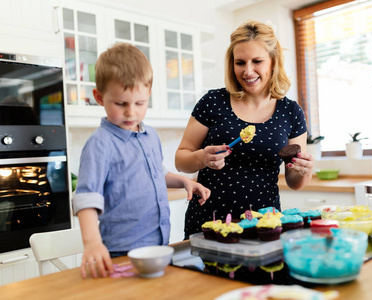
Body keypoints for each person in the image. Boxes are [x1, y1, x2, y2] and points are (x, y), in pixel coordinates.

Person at [72, 43, 211, 278]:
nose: (131, 113)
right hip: (121, 250)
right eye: (121, 104)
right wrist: (92, 243)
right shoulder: (100, 143)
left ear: (148, 95)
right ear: (99, 97)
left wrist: (184, 182)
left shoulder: (150, 136)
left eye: (139, 103)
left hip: (158, 244)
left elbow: (158, 172)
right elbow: (86, 199)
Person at [175, 20, 314, 239]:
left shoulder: (291, 112)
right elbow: (180, 160)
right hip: (208, 221)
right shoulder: (213, 101)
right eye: (240, 62)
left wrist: (303, 170)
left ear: (273, 61)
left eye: (257, 61)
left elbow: (295, 183)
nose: (248, 71)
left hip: (264, 225)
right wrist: (203, 158)